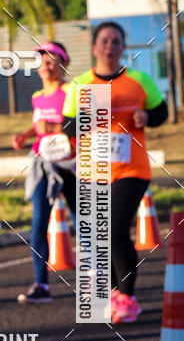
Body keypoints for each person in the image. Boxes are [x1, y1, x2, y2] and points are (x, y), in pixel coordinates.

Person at [62, 21, 168, 323]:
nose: (110, 46)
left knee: (114, 226)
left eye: (116, 41)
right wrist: (86, 117)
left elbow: (161, 113)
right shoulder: (80, 84)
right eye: (105, 41)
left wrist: (146, 115)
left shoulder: (139, 80)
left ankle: (127, 297)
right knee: (100, 234)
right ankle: (113, 292)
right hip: (92, 170)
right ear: (95, 47)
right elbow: (67, 126)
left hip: (131, 168)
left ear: (123, 47)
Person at [13, 41, 77, 303]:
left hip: (71, 165)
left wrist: (51, 127)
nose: (46, 64)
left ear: (64, 62)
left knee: (84, 225)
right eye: (41, 60)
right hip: (43, 165)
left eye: (51, 59)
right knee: (38, 225)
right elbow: (37, 124)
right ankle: (41, 285)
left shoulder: (72, 91)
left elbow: (83, 124)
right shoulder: (37, 97)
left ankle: (99, 286)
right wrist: (25, 136)